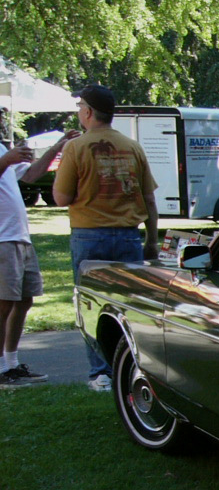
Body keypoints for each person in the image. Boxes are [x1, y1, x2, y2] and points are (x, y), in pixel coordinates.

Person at [51, 85, 158, 391]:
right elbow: (149, 199)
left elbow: (60, 197)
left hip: (89, 237)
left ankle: (101, 372)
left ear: (87, 112)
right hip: (128, 237)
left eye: (79, 107)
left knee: (91, 305)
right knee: (130, 305)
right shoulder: (132, 147)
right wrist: (151, 239)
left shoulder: (76, 148)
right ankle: (134, 363)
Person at [0, 133, 72, 386]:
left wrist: (56, 147)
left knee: (23, 300)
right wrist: (6, 159)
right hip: (2, 239)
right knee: (4, 303)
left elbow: (30, 175)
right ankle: (1, 369)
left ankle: (11, 364)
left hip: (19, 236)